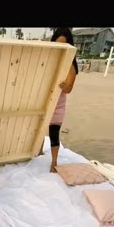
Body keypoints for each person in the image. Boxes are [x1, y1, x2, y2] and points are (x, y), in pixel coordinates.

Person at [49, 27, 78, 172]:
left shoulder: (71, 65)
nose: (60, 48)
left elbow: (69, 89)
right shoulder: (48, 59)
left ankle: (54, 162)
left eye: (63, 45)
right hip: (44, 102)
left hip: (58, 105)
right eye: (57, 44)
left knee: (54, 133)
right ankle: (38, 153)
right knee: (37, 130)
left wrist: (64, 85)